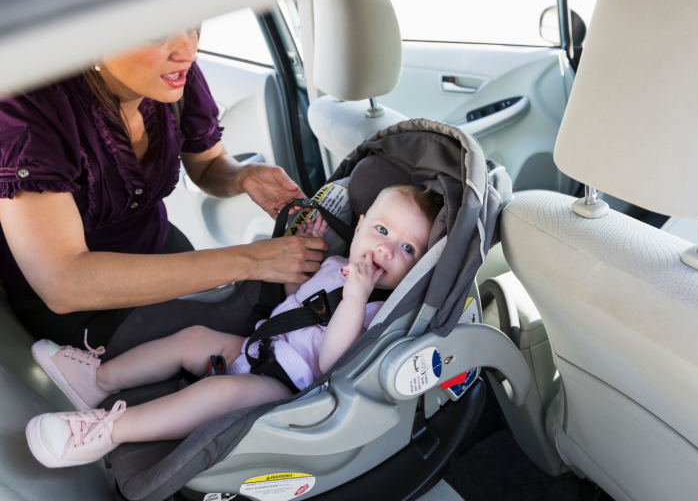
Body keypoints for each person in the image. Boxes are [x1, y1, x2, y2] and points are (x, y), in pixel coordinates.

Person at [25, 185, 443, 469]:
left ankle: (105, 431)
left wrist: (355, 298)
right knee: (193, 339)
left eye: (407, 248)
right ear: (361, 223)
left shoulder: (378, 310)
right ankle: (97, 379)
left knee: (218, 393)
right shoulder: (336, 266)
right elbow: (295, 304)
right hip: (256, 347)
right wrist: (300, 270)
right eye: (381, 230)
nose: (386, 249)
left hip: (287, 387)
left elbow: (334, 363)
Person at [0, 29, 327, 350]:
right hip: (87, 308)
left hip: (163, 249)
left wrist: (242, 175)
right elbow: (64, 283)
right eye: (157, 33)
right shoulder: (28, 112)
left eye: (192, 26)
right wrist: (252, 260)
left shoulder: (173, 74)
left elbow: (209, 165)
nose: (187, 51)